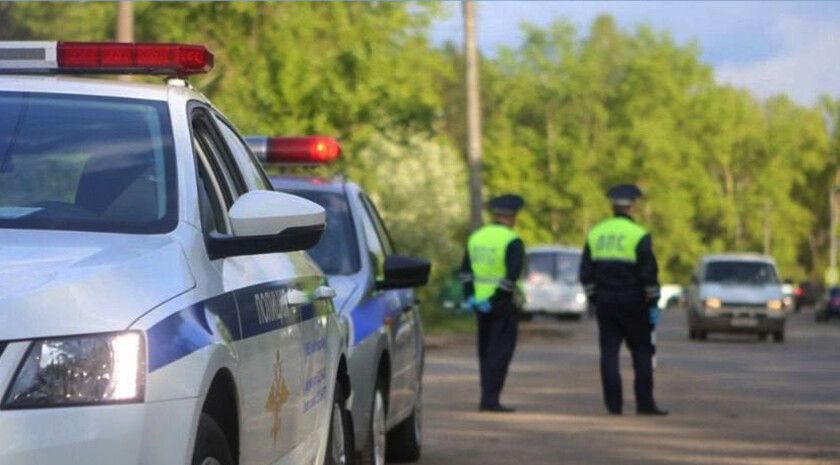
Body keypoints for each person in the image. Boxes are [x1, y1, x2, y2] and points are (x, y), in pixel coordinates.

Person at [579, 184, 668, 416]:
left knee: (609, 354)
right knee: (641, 352)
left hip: (605, 303)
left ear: (613, 207)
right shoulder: (639, 235)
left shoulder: (596, 233)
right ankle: (644, 403)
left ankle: (613, 405)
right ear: (632, 207)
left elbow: (585, 273)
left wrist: (594, 298)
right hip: (634, 303)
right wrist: (653, 303)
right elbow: (648, 274)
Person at [460, 194, 525, 413]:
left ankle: (486, 397)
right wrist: (494, 299)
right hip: (502, 304)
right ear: (512, 217)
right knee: (501, 351)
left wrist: (471, 297)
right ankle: (491, 400)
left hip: (479, 304)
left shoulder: (476, 237)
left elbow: (465, 272)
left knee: (485, 351)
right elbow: (510, 278)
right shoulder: (512, 241)